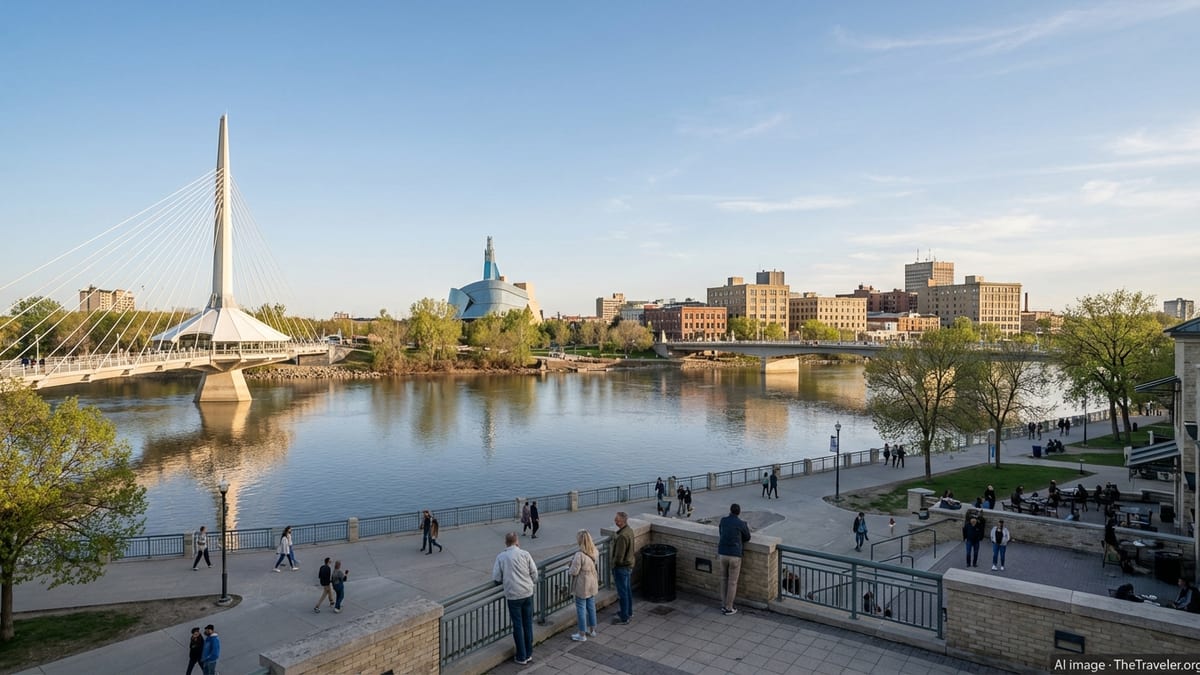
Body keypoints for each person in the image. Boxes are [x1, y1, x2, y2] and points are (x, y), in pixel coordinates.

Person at [492, 532, 538, 665]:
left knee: (518, 625)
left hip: (513, 595)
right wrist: (531, 583)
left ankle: (521, 656)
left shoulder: (501, 557)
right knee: (527, 623)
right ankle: (529, 653)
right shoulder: (525, 554)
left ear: (506, 542)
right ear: (517, 541)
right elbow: (534, 573)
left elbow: (496, 578)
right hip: (527, 593)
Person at [718, 503, 751, 615]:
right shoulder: (740, 523)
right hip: (734, 555)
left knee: (723, 579)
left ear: (730, 511)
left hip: (722, 553)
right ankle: (729, 607)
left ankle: (723, 605)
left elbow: (720, 532)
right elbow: (747, 537)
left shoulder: (723, 520)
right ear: (739, 512)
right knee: (732, 582)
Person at [568, 529, 599, 641]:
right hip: (592, 582)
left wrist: (570, 566)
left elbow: (573, 572)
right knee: (591, 606)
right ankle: (593, 629)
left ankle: (582, 634)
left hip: (582, 584)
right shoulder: (594, 551)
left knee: (581, 608)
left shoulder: (579, 555)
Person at [611, 511, 634, 624]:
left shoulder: (622, 536)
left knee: (622, 592)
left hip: (621, 567)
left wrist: (614, 564)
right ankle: (628, 612)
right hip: (628, 566)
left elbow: (619, 556)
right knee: (627, 590)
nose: (615, 521)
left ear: (622, 521)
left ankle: (624, 617)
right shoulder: (629, 530)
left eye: (617, 520)